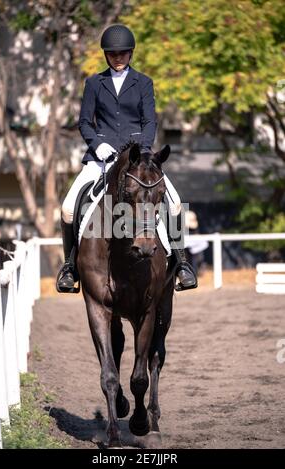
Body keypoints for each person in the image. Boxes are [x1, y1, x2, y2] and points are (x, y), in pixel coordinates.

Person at [56, 24, 197, 293]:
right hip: (101, 158)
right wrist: (98, 145)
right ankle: (70, 267)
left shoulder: (143, 82)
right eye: (113, 53)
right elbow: (85, 122)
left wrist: (143, 152)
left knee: (176, 203)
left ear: (130, 53)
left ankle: (181, 263)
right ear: (106, 55)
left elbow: (149, 121)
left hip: (139, 159)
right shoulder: (94, 83)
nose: (118, 58)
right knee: (67, 208)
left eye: (122, 53)